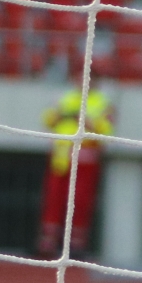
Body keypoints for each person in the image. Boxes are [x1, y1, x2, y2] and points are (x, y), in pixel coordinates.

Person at [37, 84, 115, 258]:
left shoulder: (102, 102)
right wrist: (61, 115)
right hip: (61, 157)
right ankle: (48, 242)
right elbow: (48, 120)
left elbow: (106, 130)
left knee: (80, 201)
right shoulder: (64, 97)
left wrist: (84, 120)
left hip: (85, 158)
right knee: (54, 198)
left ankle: (76, 244)